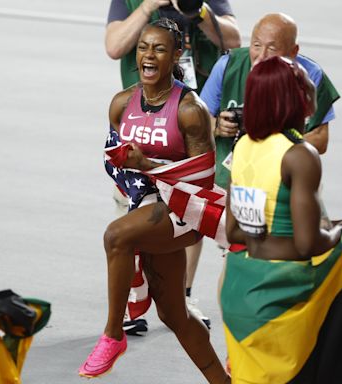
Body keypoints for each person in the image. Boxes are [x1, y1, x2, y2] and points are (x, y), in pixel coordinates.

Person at [79, 19, 230, 382]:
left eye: (159, 48)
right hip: (147, 206)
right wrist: (136, 180)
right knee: (174, 314)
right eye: (144, 47)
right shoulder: (120, 104)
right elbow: (112, 158)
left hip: (185, 213)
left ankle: (113, 335)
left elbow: (201, 179)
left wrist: (147, 165)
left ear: (176, 54)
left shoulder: (190, 110)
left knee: (116, 236)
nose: (149, 54)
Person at [222, 56, 342, 383]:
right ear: (297, 96)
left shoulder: (243, 145)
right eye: (304, 78)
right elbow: (307, 243)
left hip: (238, 292)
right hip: (280, 297)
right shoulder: (300, 155)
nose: (312, 81)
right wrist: (338, 231)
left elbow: (233, 230)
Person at [106, 0, 241, 334]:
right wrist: (150, 4)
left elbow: (234, 38)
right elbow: (114, 45)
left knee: (192, 203)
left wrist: (199, 11)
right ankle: (130, 300)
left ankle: (184, 292)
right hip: (144, 112)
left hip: (190, 113)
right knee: (131, 212)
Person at [200, 12, 339, 191]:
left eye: (272, 49)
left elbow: (320, 140)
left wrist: (269, 145)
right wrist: (218, 125)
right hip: (230, 177)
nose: (261, 56)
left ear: (293, 51)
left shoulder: (309, 75)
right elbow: (199, 123)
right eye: (256, 45)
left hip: (284, 180)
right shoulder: (228, 65)